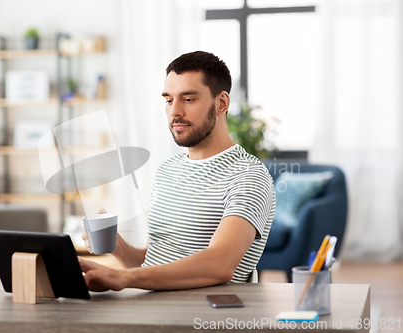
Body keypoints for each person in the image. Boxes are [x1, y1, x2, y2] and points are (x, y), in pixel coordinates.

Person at [80, 51, 275, 292]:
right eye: (169, 100)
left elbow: (220, 265)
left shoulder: (248, 176)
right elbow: (155, 265)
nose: (175, 112)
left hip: (200, 316)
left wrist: (123, 278)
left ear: (221, 103)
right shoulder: (168, 171)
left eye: (189, 99)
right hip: (152, 304)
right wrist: (119, 247)